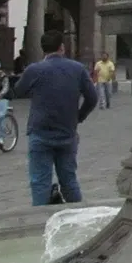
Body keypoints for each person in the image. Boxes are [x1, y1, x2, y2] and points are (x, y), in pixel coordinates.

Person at [11, 31, 98, 207]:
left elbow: (18, 91)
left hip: (41, 131)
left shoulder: (34, 70)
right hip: (67, 132)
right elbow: (92, 98)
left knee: (40, 182)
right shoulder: (77, 69)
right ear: (62, 48)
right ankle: (78, 216)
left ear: (43, 49)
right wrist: (78, 117)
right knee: (69, 180)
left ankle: (41, 223)